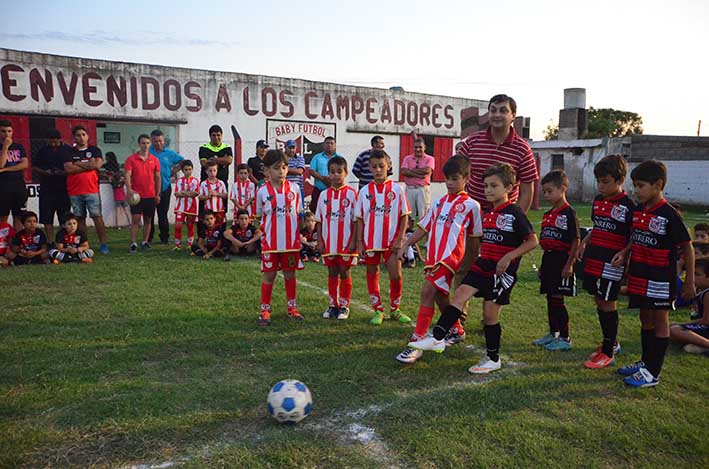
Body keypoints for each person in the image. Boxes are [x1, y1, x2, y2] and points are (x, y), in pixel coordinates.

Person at [410, 163, 538, 374]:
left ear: (508, 188)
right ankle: (438, 337)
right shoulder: (487, 212)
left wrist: (508, 257)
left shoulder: (515, 213)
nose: (488, 190)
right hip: (483, 264)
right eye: (486, 186)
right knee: (460, 293)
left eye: (494, 186)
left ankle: (493, 358)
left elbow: (532, 241)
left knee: (489, 315)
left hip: (501, 272)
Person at [453, 94, 539, 327]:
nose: (497, 115)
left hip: (501, 224)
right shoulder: (472, 142)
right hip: (471, 219)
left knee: (493, 270)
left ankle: (488, 319)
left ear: (513, 116)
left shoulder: (522, 149)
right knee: (464, 266)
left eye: (503, 110)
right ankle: (457, 321)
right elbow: (458, 176)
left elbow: (527, 189)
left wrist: (511, 221)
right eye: (493, 110)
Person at [395, 155, 482, 364]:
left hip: (450, 259)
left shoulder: (472, 206)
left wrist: (473, 264)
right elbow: (424, 228)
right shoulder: (438, 203)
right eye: (447, 179)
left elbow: (475, 238)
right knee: (440, 297)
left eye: (455, 179)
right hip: (433, 258)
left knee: (426, 292)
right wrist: (406, 244)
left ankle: (416, 343)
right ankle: (457, 330)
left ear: (466, 178)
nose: (450, 183)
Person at [617, 160, 695, 387]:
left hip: (661, 278)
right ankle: (645, 362)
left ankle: (653, 373)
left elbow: (687, 248)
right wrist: (625, 251)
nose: (636, 190)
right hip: (640, 274)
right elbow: (636, 236)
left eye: (641, 185)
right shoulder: (640, 210)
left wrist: (688, 281)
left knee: (660, 321)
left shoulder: (669, 214)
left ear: (658, 185)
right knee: (645, 318)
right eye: (634, 185)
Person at [577, 155, 635, 369]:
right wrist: (584, 241)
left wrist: (625, 252)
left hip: (612, 262)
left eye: (605, 181)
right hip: (595, 258)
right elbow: (598, 226)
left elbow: (634, 235)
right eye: (598, 181)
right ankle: (612, 341)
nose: (600, 186)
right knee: (598, 299)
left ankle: (608, 352)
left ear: (619, 180)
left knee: (607, 301)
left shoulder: (629, 206)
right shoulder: (598, 201)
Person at [355, 149, 412, 325]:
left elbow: (405, 215)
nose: (378, 170)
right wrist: (359, 243)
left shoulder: (397, 189)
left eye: (381, 166)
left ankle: (395, 309)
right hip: (370, 241)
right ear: (369, 169)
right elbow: (359, 218)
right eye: (374, 167)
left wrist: (400, 239)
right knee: (372, 273)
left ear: (388, 167)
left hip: (392, 241)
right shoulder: (364, 191)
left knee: (396, 274)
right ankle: (378, 310)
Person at [533, 170, 580, 351]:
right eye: (544, 192)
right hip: (549, 259)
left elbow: (575, 239)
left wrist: (569, 264)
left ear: (562, 189)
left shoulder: (569, 212)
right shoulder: (548, 214)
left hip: (562, 260)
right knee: (550, 298)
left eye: (550, 191)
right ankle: (553, 333)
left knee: (558, 300)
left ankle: (565, 337)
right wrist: (542, 267)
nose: (546, 195)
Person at [255, 149, 304, 326]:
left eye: (284, 167)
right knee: (269, 276)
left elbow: (298, 215)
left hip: (291, 243)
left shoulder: (295, 189)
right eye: (277, 168)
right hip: (270, 243)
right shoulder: (261, 191)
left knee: (290, 275)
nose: (282, 171)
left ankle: (292, 308)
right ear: (267, 170)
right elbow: (259, 216)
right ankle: (265, 310)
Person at [314, 156, 358, 320]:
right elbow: (319, 220)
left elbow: (356, 220)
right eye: (332, 172)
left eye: (339, 171)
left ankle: (344, 306)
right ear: (328, 174)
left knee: (344, 272)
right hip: (329, 241)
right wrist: (319, 240)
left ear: (346, 173)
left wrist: (354, 241)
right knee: (332, 272)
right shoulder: (324, 195)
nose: (335, 175)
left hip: (346, 242)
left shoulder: (353, 194)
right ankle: (333, 304)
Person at [63, 125, 108, 254]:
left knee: (97, 217)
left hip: (92, 190)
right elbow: (68, 169)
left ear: (88, 136)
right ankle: (84, 244)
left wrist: (78, 164)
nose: (81, 137)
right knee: (79, 219)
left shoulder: (95, 150)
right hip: (74, 191)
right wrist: (88, 165)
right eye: (78, 135)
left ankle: (103, 244)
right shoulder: (69, 152)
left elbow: (97, 165)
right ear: (74, 137)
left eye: (83, 134)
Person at [32, 128, 72, 241]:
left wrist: (63, 172)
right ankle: (50, 241)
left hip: (63, 188)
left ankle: (63, 240)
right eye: (51, 142)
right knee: (47, 218)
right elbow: (35, 166)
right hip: (47, 188)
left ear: (60, 140)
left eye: (55, 141)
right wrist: (45, 172)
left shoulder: (67, 150)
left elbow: (72, 168)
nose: (53, 144)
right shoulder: (42, 150)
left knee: (64, 217)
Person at [125, 134, 161, 253]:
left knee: (148, 219)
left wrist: (158, 193)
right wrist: (129, 190)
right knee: (135, 219)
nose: (145, 145)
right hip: (136, 195)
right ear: (139, 144)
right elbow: (127, 175)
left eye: (147, 143)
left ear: (150, 144)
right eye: (143, 143)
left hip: (150, 195)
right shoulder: (131, 159)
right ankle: (133, 243)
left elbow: (157, 177)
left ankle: (145, 242)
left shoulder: (154, 160)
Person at [150, 129, 184, 244]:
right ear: (151, 141)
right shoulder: (147, 152)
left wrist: (175, 170)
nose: (158, 143)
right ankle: (148, 238)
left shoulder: (169, 153)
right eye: (155, 141)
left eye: (160, 141)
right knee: (149, 214)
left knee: (162, 214)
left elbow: (183, 161)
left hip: (165, 187)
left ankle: (164, 238)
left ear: (163, 141)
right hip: (149, 188)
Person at [670, 258, 709, 354]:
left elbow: (706, 321)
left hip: (706, 326)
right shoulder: (700, 290)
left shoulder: (707, 294)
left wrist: (684, 324)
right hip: (704, 327)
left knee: (674, 330)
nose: (693, 277)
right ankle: (701, 345)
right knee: (670, 328)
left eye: (697, 274)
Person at [0, 119, 29, 231]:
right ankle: (3, 244)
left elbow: (24, 164)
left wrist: (7, 169)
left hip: (18, 186)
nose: (6, 134)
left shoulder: (19, 147)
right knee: (3, 218)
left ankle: (18, 243)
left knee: (19, 217)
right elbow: (1, 165)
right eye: (3, 131)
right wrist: (5, 147)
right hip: (2, 187)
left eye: (9, 131)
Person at [400, 138, 435, 227]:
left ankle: (423, 236)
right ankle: (409, 234)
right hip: (410, 188)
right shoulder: (407, 158)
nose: (418, 149)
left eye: (420, 147)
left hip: (422, 189)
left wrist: (411, 171)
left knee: (423, 214)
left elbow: (427, 170)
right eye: (416, 147)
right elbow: (404, 171)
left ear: (425, 147)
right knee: (409, 213)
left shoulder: (430, 159)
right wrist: (419, 175)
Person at [309, 136, 341, 211]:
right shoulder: (317, 157)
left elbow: (342, 172)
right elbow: (312, 171)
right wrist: (323, 179)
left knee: (334, 210)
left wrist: (331, 181)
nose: (329, 145)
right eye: (327, 143)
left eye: (331, 143)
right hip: (319, 190)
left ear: (335, 145)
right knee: (315, 210)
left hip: (335, 190)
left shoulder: (339, 158)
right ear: (323, 145)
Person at [173, 160, 199, 250]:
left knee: (190, 225)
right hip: (180, 206)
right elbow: (176, 194)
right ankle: (177, 245)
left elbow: (195, 194)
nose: (188, 171)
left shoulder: (195, 181)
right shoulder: (179, 181)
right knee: (178, 225)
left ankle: (190, 244)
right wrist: (188, 193)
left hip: (191, 207)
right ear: (182, 171)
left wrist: (183, 192)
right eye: (186, 169)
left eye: (190, 169)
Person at [199, 161, 228, 225]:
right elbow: (200, 197)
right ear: (206, 171)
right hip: (208, 210)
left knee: (220, 227)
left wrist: (217, 194)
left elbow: (226, 195)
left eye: (214, 170)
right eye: (210, 171)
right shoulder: (203, 184)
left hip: (219, 209)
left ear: (217, 170)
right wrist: (207, 197)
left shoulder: (221, 183)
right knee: (209, 228)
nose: (212, 173)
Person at [107, 161, 130, 229]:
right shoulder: (122, 183)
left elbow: (109, 179)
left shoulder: (113, 184)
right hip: (123, 198)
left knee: (117, 212)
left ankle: (118, 225)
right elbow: (125, 178)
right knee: (126, 211)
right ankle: (130, 224)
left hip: (117, 199)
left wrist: (110, 176)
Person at [284, 140, 306, 210]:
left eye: (293, 148)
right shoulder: (282, 159)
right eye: (289, 148)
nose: (292, 150)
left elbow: (299, 171)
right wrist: (292, 170)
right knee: (286, 209)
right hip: (285, 189)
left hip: (298, 188)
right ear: (285, 148)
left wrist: (286, 170)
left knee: (300, 210)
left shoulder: (300, 158)